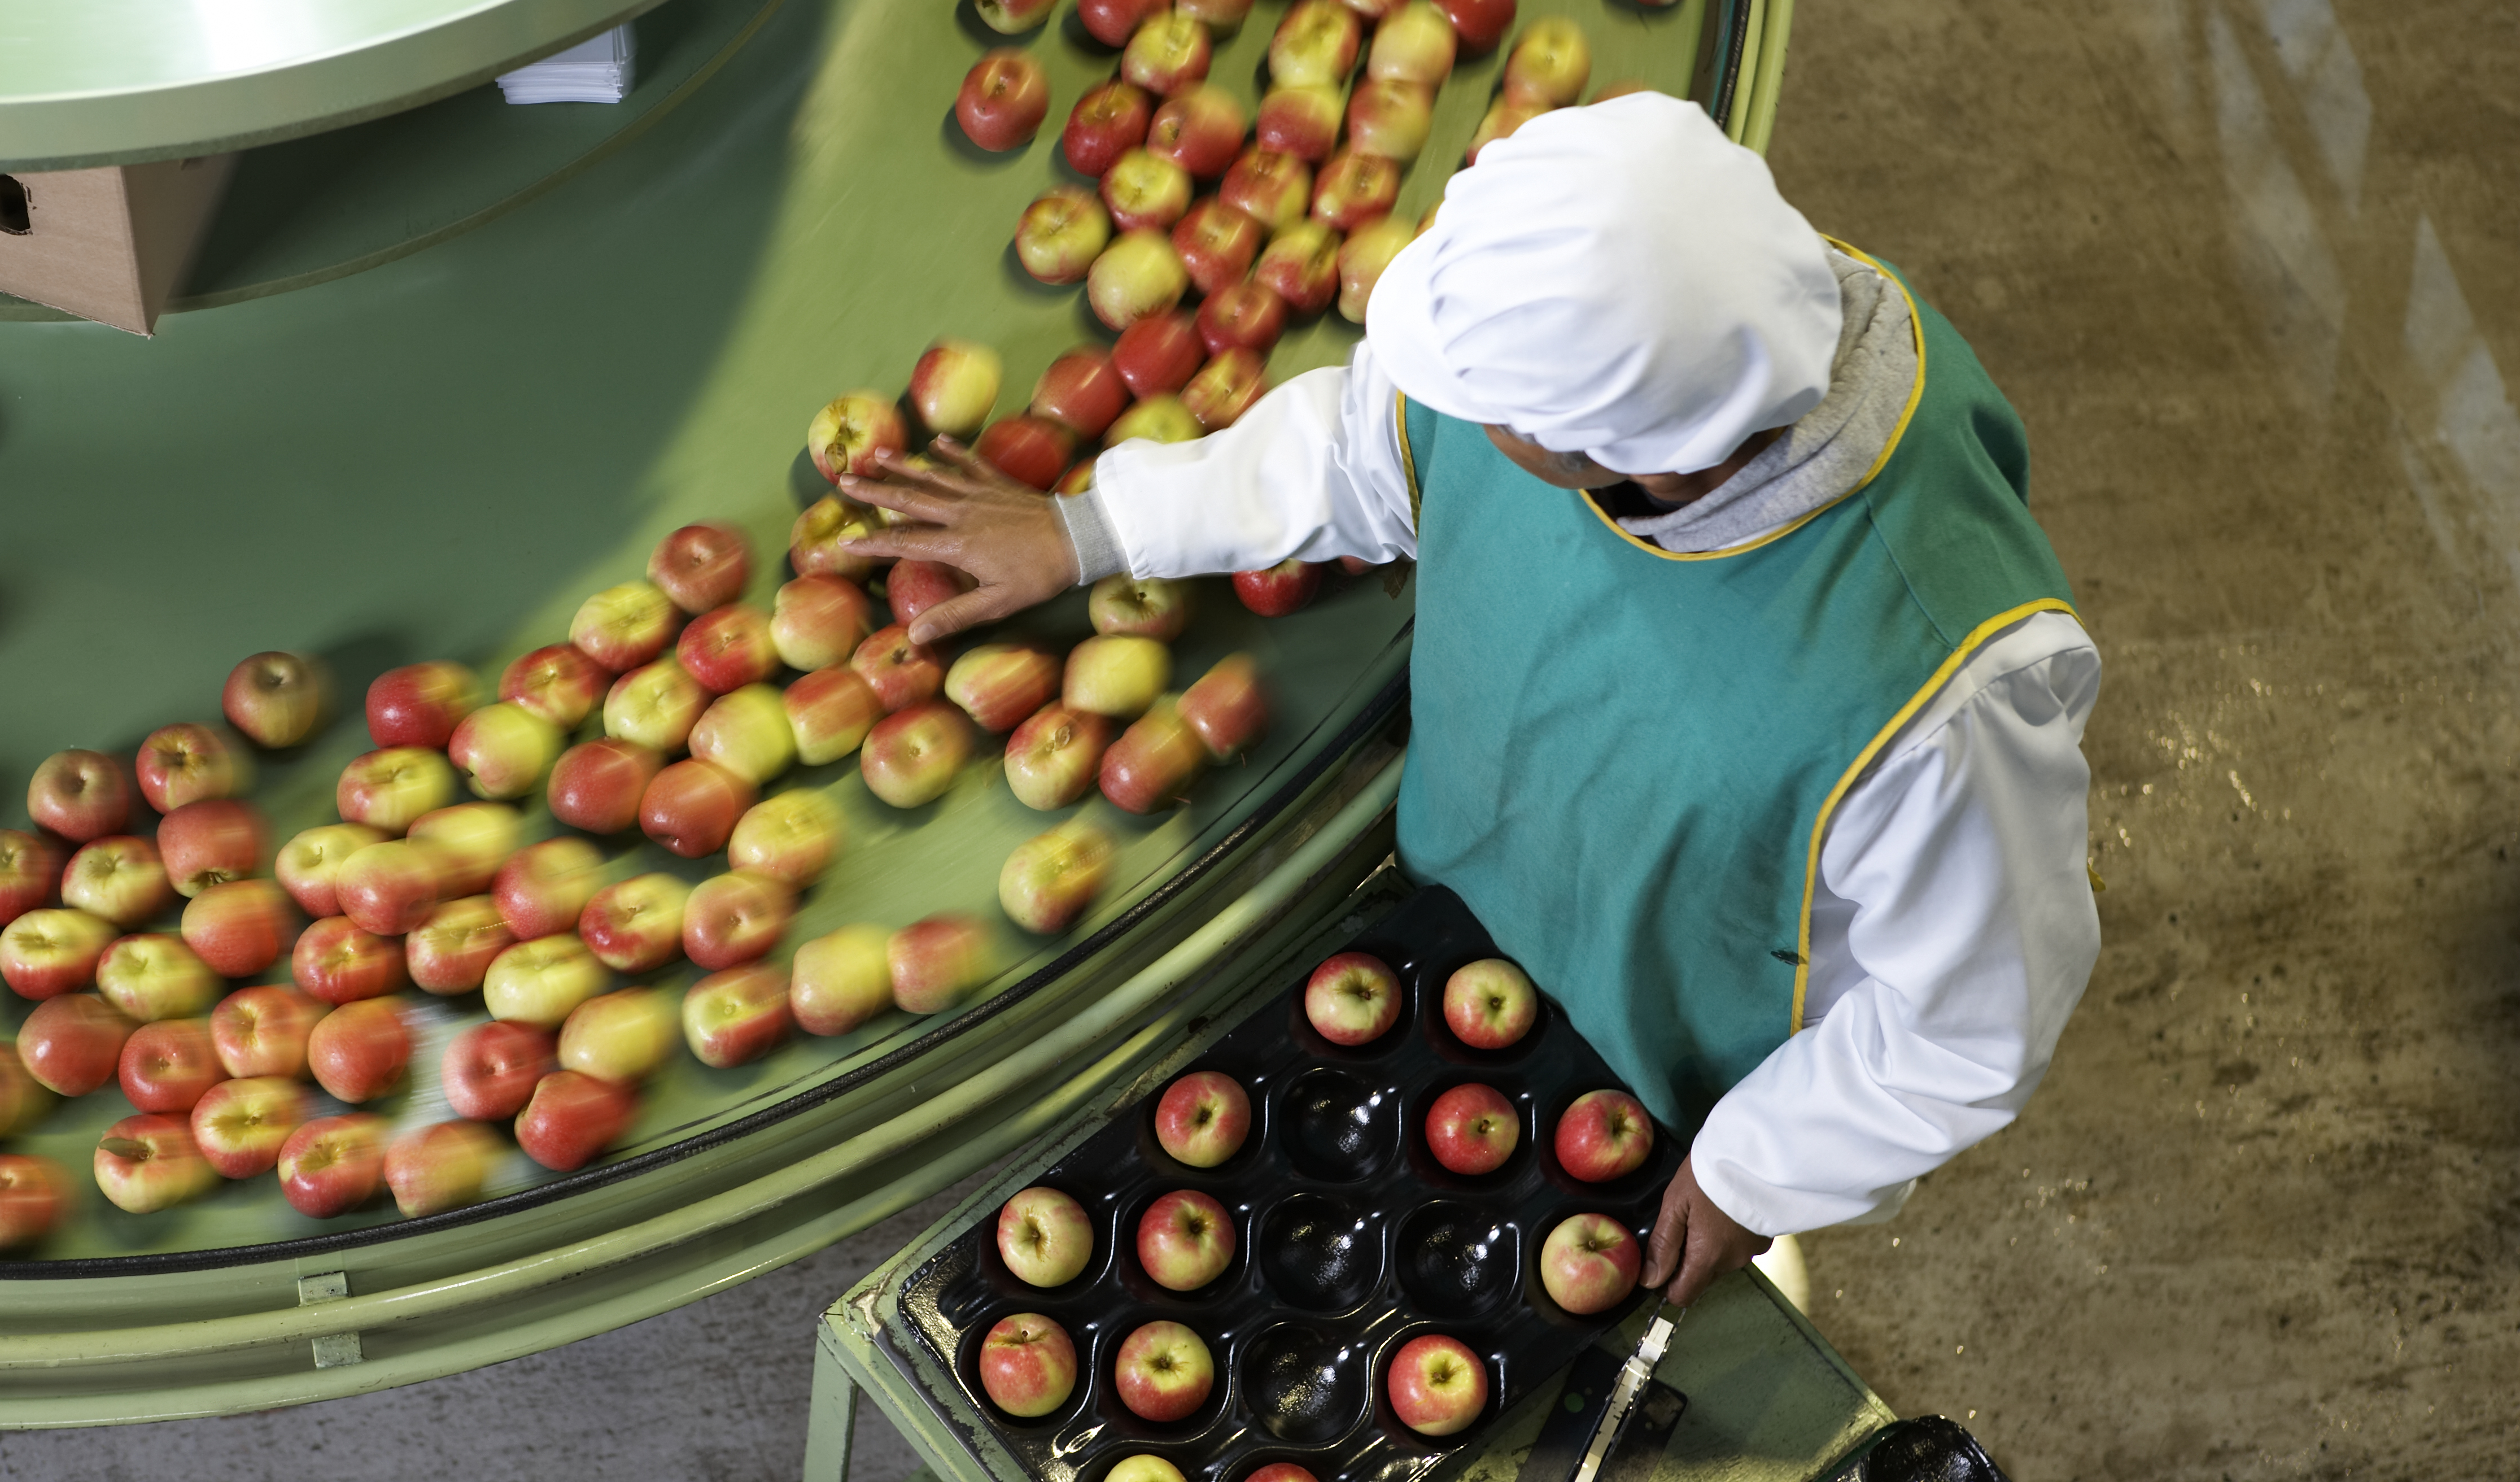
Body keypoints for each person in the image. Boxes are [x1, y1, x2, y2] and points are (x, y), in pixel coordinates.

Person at [845, 95, 2102, 1307]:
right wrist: (1097, 526)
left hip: (1673, 1058)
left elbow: (1971, 1020)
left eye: (1499, 411)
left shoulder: (1936, 690)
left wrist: (1753, 1168)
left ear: (1639, 456)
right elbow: (1361, 441)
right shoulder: (1695, 322)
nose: (1451, 405)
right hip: (1473, 912)